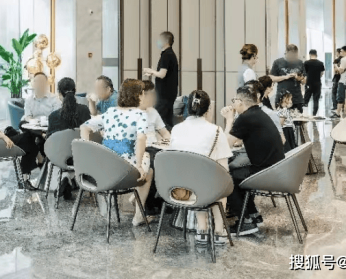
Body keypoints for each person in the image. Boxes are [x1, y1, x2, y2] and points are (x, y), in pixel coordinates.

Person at [81, 79, 153, 227]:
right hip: (123, 171)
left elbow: (84, 127)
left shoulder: (110, 112)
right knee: (149, 170)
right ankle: (138, 214)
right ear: (138, 95)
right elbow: (141, 139)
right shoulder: (140, 114)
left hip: (103, 168)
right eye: (143, 93)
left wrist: (87, 151)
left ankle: (135, 199)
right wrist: (139, 165)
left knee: (145, 168)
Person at [221, 84, 285, 236]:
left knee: (227, 177)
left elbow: (225, 146)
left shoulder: (245, 118)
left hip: (266, 171)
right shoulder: (258, 113)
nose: (233, 104)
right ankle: (253, 215)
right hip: (277, 168)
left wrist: (229, 120)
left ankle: (246, 222)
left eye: (234, 100)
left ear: (240, 102)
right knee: (236, 172)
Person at [170, 90, 232, 246]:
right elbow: (224, 169)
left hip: (180, 189)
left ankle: (202, 229)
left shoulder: (176, 129)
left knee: (194, 178)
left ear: (188, 108)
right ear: (208, 109)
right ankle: (219, 231)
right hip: (204, 190)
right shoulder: (216, 130)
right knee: (220, 184)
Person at [46, 77, 91, 200]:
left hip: (60, 158)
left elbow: (49, 141)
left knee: (53, 151)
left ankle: (65, 176)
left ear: (59, 94)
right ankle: (70, 177)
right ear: (75, 91)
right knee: (74, 154)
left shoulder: (53, 116)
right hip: (81, 157)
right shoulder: (84, 110)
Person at [143, 31, 179, 128]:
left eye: (160, 39)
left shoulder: (167, 55)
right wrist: (152, 72)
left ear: (166, 41)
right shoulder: (168, 54)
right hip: (168, 93)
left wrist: (151, 71)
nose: (157, 41)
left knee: (161, 120)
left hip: (164, 94)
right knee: (166, 119)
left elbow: (162, 74)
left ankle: (165, 136)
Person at [270, 44, 305, 112]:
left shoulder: (300, 63)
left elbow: (305, 80)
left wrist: (299, 79)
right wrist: (285, 77)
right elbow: (271, 78)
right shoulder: (278, 62)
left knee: (298, 117)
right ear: (286, 52)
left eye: (294, 56)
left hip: (297, 99)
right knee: (282, 118)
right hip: (282, 99)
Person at [252, 77, 286, 144]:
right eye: (271, 86)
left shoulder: (266, 98)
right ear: (267, 88)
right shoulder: (262, 101)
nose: (272, 88)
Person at [303, 49, 325, 116]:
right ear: (316, 54)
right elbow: (322, 73)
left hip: (309, 83)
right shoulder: (320, 63)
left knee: (306, 99)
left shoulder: (306, 63)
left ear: (310, 55)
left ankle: (305, 114)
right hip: (317, 83)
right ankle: (314, 114)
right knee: (316, 99)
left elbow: (304, 74)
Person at [332, 46, 346, 118]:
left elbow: (340, 71)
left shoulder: (343, 59)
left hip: (343, 80)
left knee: (340, 97)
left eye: (341, 51)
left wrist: (335, 66)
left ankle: (337, 112)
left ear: (345, 52)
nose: (340, 52)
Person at [331, 48, 342, 112]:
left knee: (334, 92)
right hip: (343, 78)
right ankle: (342, 106)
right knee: (341, 92)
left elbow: (335, 70)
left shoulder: (336, 60)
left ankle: (335, 106)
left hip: (337, 78)